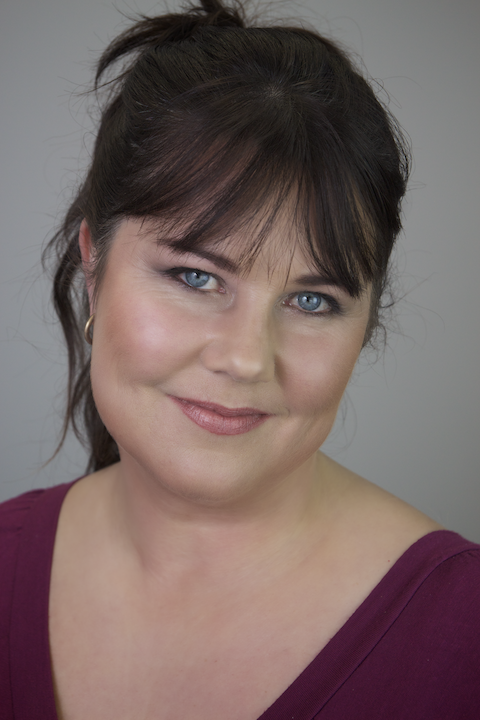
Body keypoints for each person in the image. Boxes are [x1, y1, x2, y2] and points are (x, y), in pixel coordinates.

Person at [1, 0, 479, 717]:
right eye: (196, 277)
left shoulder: (464, 635)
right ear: (93, 265)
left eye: (312, 300)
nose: (246, 358)